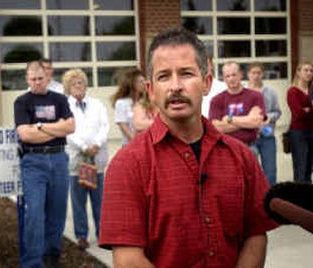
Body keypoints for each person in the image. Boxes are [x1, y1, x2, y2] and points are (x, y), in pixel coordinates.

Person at [99, 28, 278, 267]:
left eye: (186, 74)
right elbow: (128, 259)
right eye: (163, 76)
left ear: (206, 83)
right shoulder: (128, 165)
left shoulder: (242, 157)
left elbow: (255, 235)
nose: (175, 86)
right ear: (151, 91)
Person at [14, 61, 74, 267]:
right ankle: (32, 262)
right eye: (33, 79)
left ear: (47, 77)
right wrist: (55, 128)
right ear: (27, 79)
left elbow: (71, 127)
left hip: (59, 160)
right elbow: (24, 134)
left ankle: (52, 255)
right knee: (35, 213)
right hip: (33, 162)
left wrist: (38, 126)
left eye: (40, 78)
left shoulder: (59, 99)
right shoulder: (21, 102)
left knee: (57, 211)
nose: (37, 82)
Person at [63, 68, 109, 249]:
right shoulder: (64, 106)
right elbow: (67, 131)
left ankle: (103, 234)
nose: (78, 86)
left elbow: (105, 126)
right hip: (77, 162)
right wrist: (84, 147)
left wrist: (96, 144)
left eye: (80, 82)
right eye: (73, 84)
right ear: (68, 87)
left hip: (96, 160)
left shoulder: (97, 104)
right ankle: (81, 235)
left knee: (100, 201)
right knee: (78, 202)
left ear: (85, 84)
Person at [209, 61, 265, 154]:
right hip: (226, 149)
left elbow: (256, 122)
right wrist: (247, 121)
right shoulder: (217, 100)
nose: (231, 79)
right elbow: (216, 128)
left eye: (234, 75)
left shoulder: (255, 96)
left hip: (249, 148)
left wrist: (229, 119)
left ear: (241, 75)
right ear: (224, 78)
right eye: (227, 76)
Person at [247, 62, 282, 186]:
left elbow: (278, 112)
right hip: (248, 138)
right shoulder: (243, 92)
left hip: (267, 137)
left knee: (270, 172)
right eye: (253, 73)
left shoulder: (270, 92)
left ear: (263, 74)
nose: (256, 76)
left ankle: (271, 201)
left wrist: (267, 117)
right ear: (248, 75)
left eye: (258, 73)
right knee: (250, 172)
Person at [286, 61, 313, 183]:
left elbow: (305, 112)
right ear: (298, 72)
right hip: (298, 132)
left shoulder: (312, 90)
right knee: (300, 166)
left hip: (312, 131)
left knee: (309, 166)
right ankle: (298, 197)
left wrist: (308, 109)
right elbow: (298, 114)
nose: (309, 73)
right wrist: (308, 109)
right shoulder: (293, 92)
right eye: (305, 70)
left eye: (311, 71)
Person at [111, 68, 145, 145]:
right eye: (141, 81)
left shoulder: (144, 102)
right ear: (132, 84)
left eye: (144, 81)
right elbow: (124, 127)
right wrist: (138, 142)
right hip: (130, 145)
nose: (144, 83)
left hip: (146, 145)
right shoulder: (121, 103)